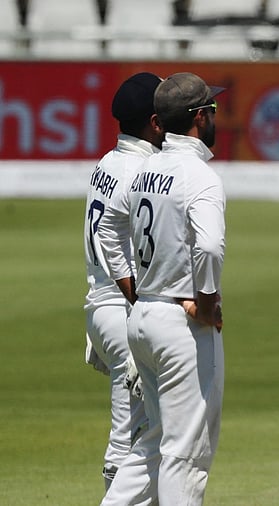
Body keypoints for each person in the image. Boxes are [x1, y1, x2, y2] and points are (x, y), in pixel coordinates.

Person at [97, 71, 227, 506]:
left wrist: (130, 286)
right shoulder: (198, 174)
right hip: (180, 323)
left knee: (152, 442)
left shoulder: (144, 167)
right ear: (199, 118)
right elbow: (208, 245)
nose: (215, 117)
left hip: (144, 316)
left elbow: (109, 225)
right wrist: (206, 302)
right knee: (185, 454)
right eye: (212, 109)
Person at [83, 72, 162, 491]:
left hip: (99, 305)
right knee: (133, 438)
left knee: (135, 432)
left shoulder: (107, 163)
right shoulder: (144, 171)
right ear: (155, 121)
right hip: (125, 310)